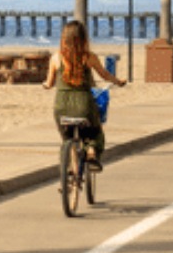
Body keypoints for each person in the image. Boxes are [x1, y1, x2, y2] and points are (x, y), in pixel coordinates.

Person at [43, 19, 125, 170]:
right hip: (84, 105)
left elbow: (48, 83)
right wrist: (118, 81)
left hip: (62, 106)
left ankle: (66, 171)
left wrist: (45, 85)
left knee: (66, 138)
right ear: (84, 39)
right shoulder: (89, 57)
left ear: (63, 38)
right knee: (95, 132)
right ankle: (92, 150)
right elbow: (105, 75)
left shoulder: (55, 58)